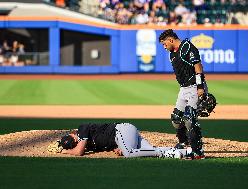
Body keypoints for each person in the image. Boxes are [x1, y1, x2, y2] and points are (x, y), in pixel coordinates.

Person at [159, 29, 207, 159]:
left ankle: (198, 151)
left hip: (194, 87)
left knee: (189, 118)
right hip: (183, 89)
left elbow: (198, 66)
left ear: (171, 40)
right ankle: (183, 142)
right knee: (176, 118)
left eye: (164, 44)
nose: (164, 47)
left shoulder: (187, 47)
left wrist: (200, 86)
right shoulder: (172, 53)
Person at [59, 122, 194, 159]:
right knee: (149, 149)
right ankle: (185, 152)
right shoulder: (91, 145)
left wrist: (65, 152)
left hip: (122, 130)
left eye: (74, 140)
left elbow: (79, 152)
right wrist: (116, 148)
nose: (77, 141)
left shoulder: (82, 129)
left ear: (73, 134)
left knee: (129, 153)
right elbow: (104, 141)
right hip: (124, 135)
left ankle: (163, 153)